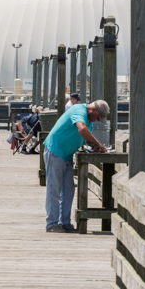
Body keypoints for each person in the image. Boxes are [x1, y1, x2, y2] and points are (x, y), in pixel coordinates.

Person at [42, 100, 109, 233]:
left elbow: (83, 136)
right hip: (55, 151)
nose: (96, 120)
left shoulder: (88, 119)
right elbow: (82, 129)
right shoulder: (79, 110)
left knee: (68, 190)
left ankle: (65, 222)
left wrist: (95, 146)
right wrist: (98, 143)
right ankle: (52, 224)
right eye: (97, 117)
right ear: (93, 111)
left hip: (67, 155)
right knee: (53, 188)